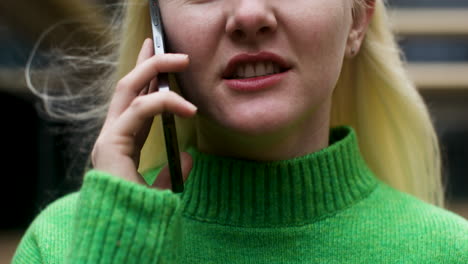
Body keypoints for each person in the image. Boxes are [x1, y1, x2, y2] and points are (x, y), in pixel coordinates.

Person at [13, 0, 468, 263]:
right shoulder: (62, 244)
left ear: (357, 19)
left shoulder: (448, 252)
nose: (249, 14)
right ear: (158, 29)